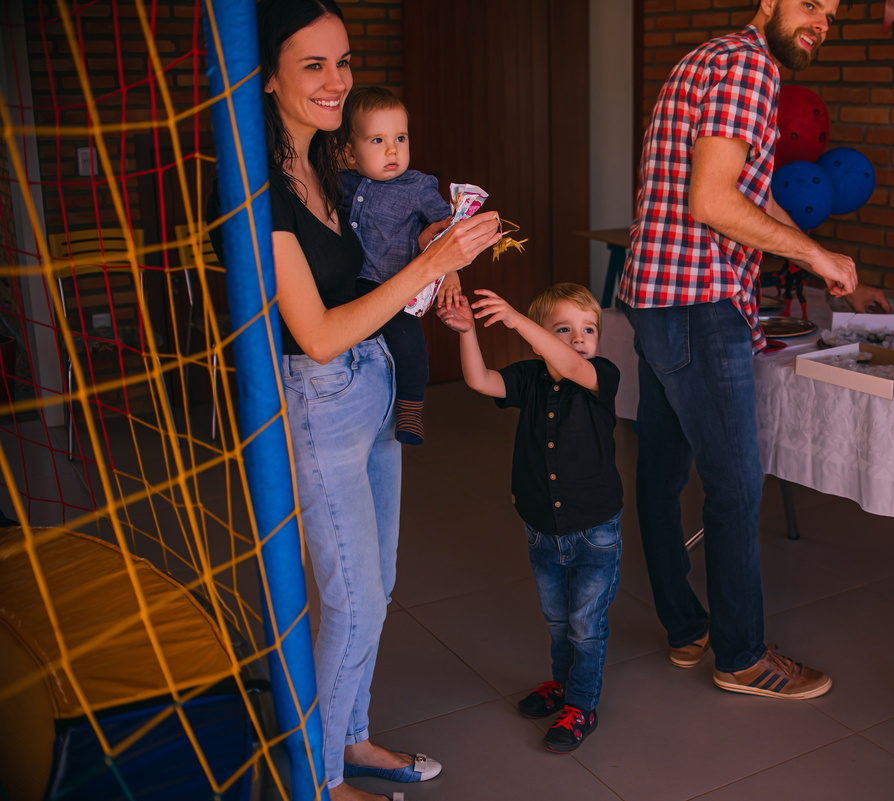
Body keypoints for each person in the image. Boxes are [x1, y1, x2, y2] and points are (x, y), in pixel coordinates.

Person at [240, 2, 500, 797]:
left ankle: (350, 737)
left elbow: (366, 273)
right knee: (349, 601)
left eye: (343, 61)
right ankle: (318, 782)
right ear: (269, 74)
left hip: (375, 380)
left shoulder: (332, 166)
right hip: (320, 396)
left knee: (376, 589)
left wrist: (432, 261)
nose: (336, 81)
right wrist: (430, 265)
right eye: (314, 64)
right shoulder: (262, 187)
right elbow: (314, 333)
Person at [617, 0, 884, 700]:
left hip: (655, 295)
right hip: (701, 302)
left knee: (662, 471)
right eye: (809, 4)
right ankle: (740, 656)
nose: (822, 20)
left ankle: (684, 628)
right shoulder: (749, 69)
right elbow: (712, 202)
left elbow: (751, 195)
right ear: (767, 1)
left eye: (832, 11)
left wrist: (832, 269)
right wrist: (817, 254)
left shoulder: (710, 56)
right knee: (735, 484)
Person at [437, 284, 622, 754]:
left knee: (585, 625)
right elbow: (481, 381)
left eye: (587, 329)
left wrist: (518, 319)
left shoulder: (601, 374)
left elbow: (574, 365)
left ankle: (582, 703)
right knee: (558, 621)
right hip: (542, 528)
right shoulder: (530, 378)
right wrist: (467, 333)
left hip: (595, 530)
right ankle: (562, 685)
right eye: (563, 330)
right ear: (542, 337)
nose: (578, 339)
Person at [339, 85, 456, 445]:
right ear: (350, 153)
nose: (393, 150)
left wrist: (450, 273)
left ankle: (410, 406)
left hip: (395, 286)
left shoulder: (417, 186)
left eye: (400, 138)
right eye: (377, 140)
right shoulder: (338, 182)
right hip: (349, 284)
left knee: (409, 342)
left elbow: (447, 232)